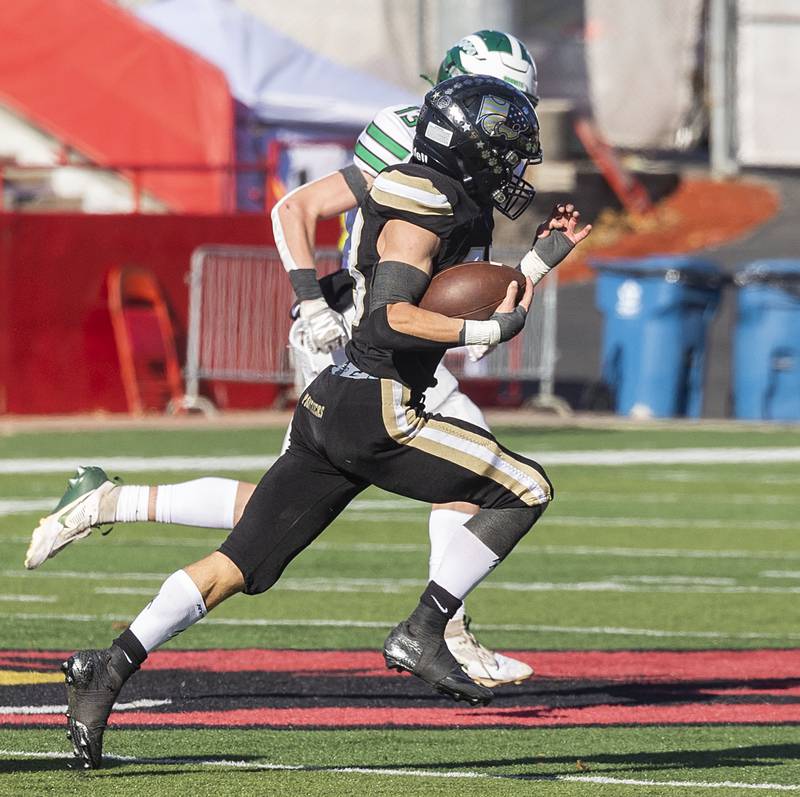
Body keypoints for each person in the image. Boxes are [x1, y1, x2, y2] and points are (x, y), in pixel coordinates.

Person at [61, 75, 592, 770]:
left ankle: (107, 669)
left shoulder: (450, 201)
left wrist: (538, 263)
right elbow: (392, 318)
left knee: (236, 566)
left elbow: (463, 295)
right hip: (379, 406)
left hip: (332, 405)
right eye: (506, 149)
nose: (515, 164)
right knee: (526, 487)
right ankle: (424, 628)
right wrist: (482, 334)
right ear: (469, 146)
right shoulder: (425, 201)